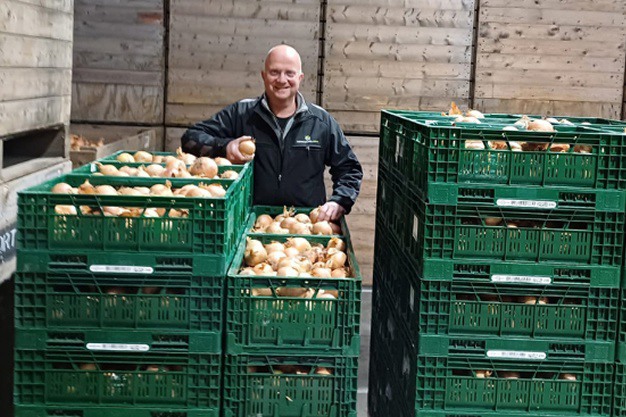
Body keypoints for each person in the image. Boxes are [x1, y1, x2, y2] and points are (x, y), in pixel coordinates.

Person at [181, 44, 362, 222]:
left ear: (300, 78)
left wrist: (339, 201)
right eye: (274, 72)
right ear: (263, 75)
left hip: (305, 226)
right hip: (250, 223)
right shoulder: (241, 114)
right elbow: (190, 139)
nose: (282, 80)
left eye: (289, 73)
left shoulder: (320, 121)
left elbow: (349, 168)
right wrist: (225, 147)